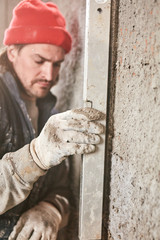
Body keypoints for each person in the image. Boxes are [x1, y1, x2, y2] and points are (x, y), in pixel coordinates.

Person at [0, 0, 105, 239]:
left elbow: (62, 185)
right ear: (13, 52)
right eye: (39, 61)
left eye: (57, 64)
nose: (49, 75)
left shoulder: (51, 110)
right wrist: (35, 156)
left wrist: (52, 208)